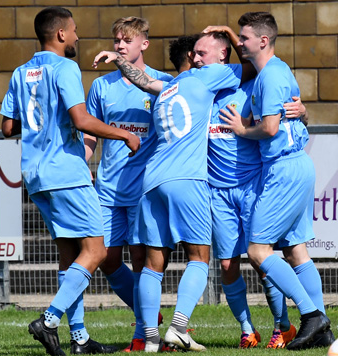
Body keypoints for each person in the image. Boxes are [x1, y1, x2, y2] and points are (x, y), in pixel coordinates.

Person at [93, 36, 251, 352]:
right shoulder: (206, 75)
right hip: (186, 177)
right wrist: (232, 38)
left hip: (151, 180)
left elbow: (142, 79)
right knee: (199, 257)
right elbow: (250, 65)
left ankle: (149, 338)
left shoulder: (167, 86)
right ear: (195, 58)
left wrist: (118, 59)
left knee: (152, 264)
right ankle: (178, 328)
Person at [0, 7, 140, 356]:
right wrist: (122, 134)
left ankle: (79, 339)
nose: (77, 36)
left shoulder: (20, 72)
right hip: (65, 173)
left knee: (70, 256)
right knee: (96, 250)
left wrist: (40, 122)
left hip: (35, 176)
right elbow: (80, 119)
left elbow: (7, 128)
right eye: (74, 31)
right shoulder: (65, 67)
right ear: (61, 34)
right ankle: (49, 320)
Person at [219, 12, 333, 351]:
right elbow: (294, 115)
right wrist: (305, 112)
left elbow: (269, 128)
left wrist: (240, 130)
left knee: (257, 251)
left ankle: (312, 316)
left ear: (263, 41)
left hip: (283, 168)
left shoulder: (270, 77)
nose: (239, 43)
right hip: (298, 164)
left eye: (244, 37)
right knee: (296, 251)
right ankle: (322, 331)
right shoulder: (281, 70)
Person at [193, 28, 306, 349]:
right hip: (218, 192)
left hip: (255, 186)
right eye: (194, 54)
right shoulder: (198, 92)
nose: (195, 59)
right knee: (228, 265)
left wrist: (303, 110)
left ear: (223, 56)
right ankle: (247, 329)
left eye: (202, 54)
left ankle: (282, 326)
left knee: (262, 258)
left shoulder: (253, 85)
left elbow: (289, 110)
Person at [84, 16, 173, 352]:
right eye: (117, 40)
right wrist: (84, 159)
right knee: (105, 257)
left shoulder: (163, 83)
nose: (120, 46)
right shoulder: (102, 86)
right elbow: (91, 131)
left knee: (141, 260)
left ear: (144, 44)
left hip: (144, 189)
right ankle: (146, 314)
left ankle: (142, 335)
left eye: (127, 41)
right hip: (108, 187)